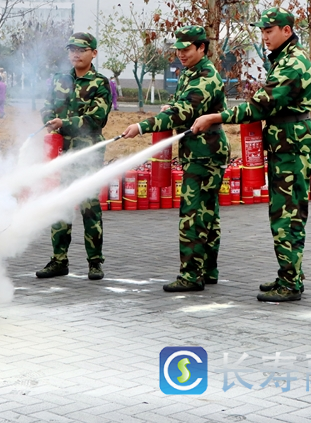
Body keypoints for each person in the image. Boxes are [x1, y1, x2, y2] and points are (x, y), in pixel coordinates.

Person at [192, 7, 311, 302]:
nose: (264, 37)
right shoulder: (284, 59)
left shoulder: (292, 63)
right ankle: (290, 274)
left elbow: (260, 106)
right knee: (285, 211)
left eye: (270, 31)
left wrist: (216, 117)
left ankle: (290, 284)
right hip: (286, 146)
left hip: (292, 148)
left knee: (286, 215)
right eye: (262, 31)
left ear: (287, 31)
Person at [122, 26, 229, 292]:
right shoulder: (189, 73)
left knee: (192, 214)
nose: (180, 54)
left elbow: (183, 112)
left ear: (201, 48)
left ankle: (191, 275)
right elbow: (183, 108)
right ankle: (208, 270)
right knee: (208, 213)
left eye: (186, 49)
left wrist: (142, 126)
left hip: (206, 154)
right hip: (199, 152)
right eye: (178, 49)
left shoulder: (206, 76)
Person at [36, 32, 111, 281]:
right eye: (72, 49)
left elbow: (95, 119)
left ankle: (95, 262)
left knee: (89, 207)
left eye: (81, 49)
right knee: (62, 204)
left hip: (87, 152)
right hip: (63, 151)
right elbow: (47, 106)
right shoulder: (59, 80)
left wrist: (63, 122)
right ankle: (59, 260)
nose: (76, 54)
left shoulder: (100, 83)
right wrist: (48, 119)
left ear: (94, 53)